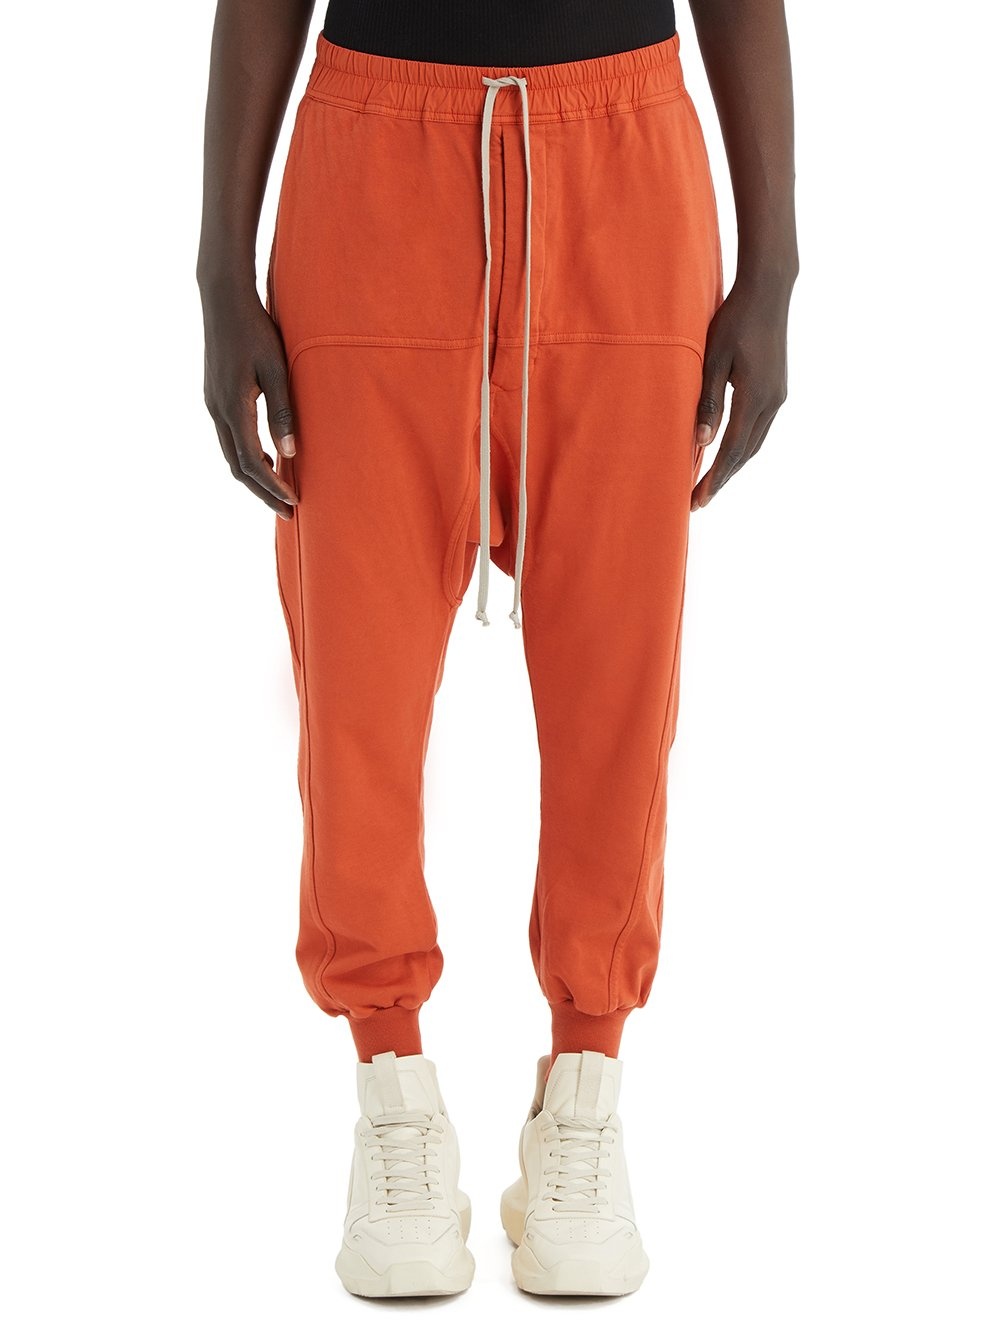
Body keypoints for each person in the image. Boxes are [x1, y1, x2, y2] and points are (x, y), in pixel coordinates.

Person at [197, 0, 797, 1300]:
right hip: (369, 178)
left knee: (619, 677)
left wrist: (775, 268)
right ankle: (393, 1092)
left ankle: (585, 1087)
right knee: (354, 679)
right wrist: (217, 273)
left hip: (626, 172)